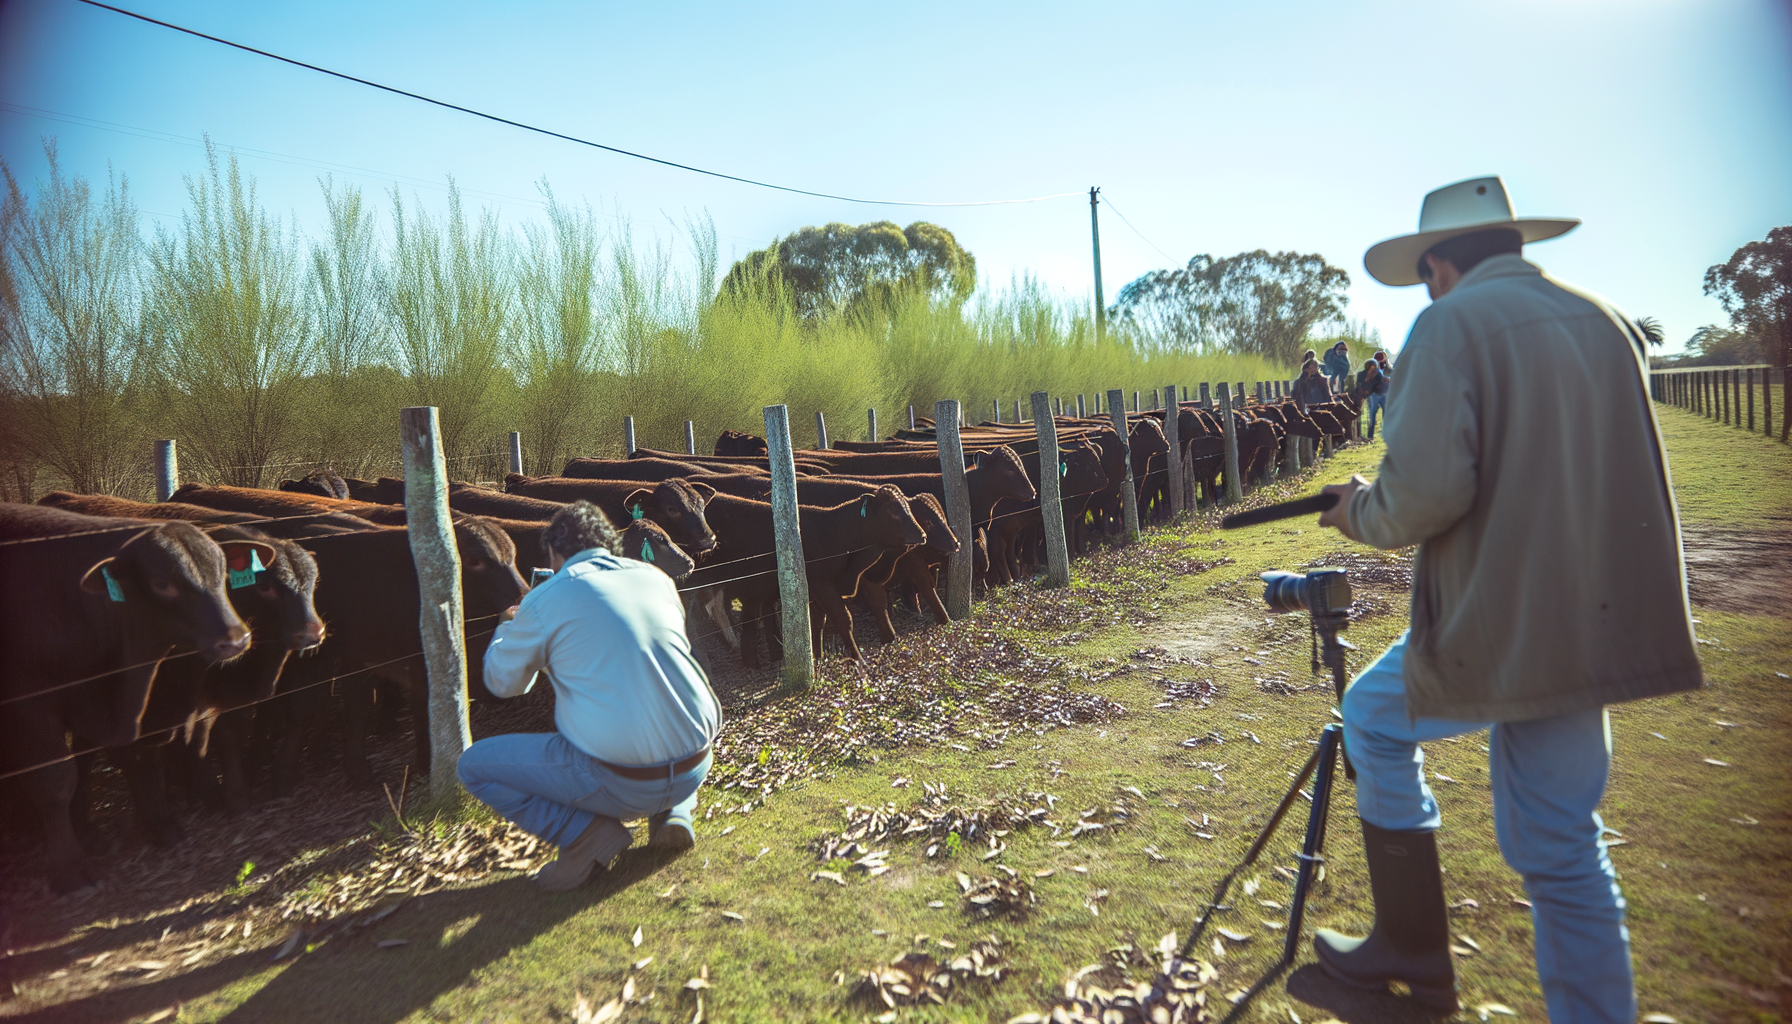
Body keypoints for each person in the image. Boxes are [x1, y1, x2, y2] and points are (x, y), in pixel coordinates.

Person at [1313, 176, 1701, 1019]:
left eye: (1424, 275)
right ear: (1514, 246)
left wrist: (1357, 512)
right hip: (1595, 618)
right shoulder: (1604, 321)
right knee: (1565, 845)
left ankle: (1412, 946)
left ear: (1439, 265)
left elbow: (1423, 496)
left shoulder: (1448, 326)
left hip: (1505, 613)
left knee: (1374, 721)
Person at [457, 500, 720, 891]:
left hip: (624, 782)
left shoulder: (544, 600)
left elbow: (504, 685)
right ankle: (674, 814)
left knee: (474, 765)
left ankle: (583, 834)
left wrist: (509, 627)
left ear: (553, 552)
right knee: (652, 698)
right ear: (608, 544)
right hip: (697, 762)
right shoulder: (655, 579)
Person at [1357, 358, 1389, 440]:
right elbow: (1362, 384)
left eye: (1373, 366)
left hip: (1382, 393)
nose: (1372, 368)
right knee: (1372, 415)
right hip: (1374, 395)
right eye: (1370, 366)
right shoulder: (1362, 374)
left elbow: (1375, 383)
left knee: (1385, 414)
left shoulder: (1378, 373)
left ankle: (1385, 434)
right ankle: (1370, 435)